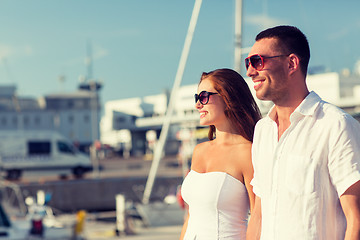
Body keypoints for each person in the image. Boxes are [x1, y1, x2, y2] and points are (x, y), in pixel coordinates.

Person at [245, 25, 360, 240]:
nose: (250, 71)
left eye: (257, 61)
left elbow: (356, 218)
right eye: (248, 63)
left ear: (291, 64)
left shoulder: (335, 125)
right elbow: (259, 215)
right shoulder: (262, 131)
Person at [179, 68, 262, 240]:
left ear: (227, 98)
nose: (197, 105)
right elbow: (190, 216)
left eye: (203, 97)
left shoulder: (248, 152)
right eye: (197, 98)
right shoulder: (199, 151)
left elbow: (258, 218)